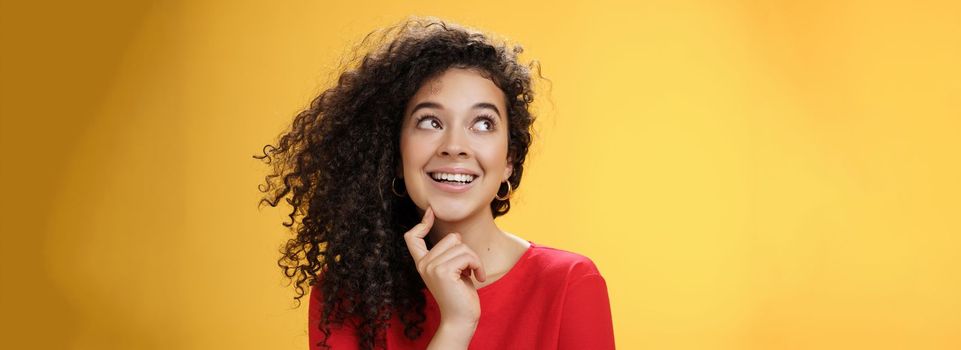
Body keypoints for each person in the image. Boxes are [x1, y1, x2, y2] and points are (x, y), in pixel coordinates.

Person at [255, 16, 615, 350]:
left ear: (508, 161)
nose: (454, 147)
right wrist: (457, 325)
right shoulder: (346, 296)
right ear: (395, 156)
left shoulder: (570, 283)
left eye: (483, 124)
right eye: (430, 122)